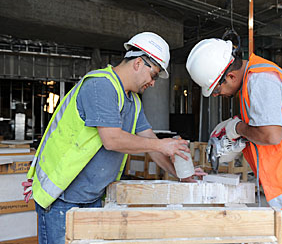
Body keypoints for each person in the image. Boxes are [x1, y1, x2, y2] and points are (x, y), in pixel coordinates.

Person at [24, 32, 205, 244]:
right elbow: (112, 139)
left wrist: (178, 173)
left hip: (91, 198)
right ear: (138, 63)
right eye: (154, 75)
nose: (153, 83)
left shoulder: (133, 102)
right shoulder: (100, 85)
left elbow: (150, 143)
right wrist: (162, 144)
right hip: (62, 198)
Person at [186, 38, 282, 244]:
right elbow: (265, 131)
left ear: (230, 76)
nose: (217, 95)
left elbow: (272, 135)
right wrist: (242, 140)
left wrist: (237, 128)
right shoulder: (254, 78)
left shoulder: (260, 80)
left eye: (216, 90)